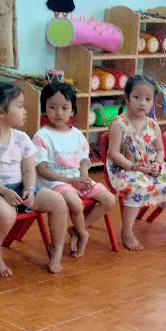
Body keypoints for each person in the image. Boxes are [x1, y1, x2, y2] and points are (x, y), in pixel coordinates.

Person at [0, 81, 70, 273]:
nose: (24, 111)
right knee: (5, 214)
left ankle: (56, 249)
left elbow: (29, 170)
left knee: (58, 202)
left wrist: (29, 188)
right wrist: (4, 192)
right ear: (0, 112)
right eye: (20, 106)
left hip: (21, 187)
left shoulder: (22, 138)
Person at [105, 74, 166, 251]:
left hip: (150, 166)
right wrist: (133, 166)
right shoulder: (119, 124)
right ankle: (127, 231)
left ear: (153, 102)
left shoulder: (153, 125)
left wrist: (158, 164)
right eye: (137, 97)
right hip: (125, 168)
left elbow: (160, 150)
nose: (142, 103)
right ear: (127, 98)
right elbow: (113, 153)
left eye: (148, 99)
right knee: (137, 187)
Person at [32, 80, 117, 258]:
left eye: (64, 108)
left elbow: (84, 160)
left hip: (77, 178)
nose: (58, 113)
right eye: (52, 107)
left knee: (109, 199)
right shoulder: (41, 136)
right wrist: (71, 181)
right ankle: (83, 234)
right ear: (44, 109)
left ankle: (78, 229)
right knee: (76, 204)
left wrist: (84, 176)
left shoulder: (77, 135)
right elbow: (42, 169)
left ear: (72, 111)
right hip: (55, 182)